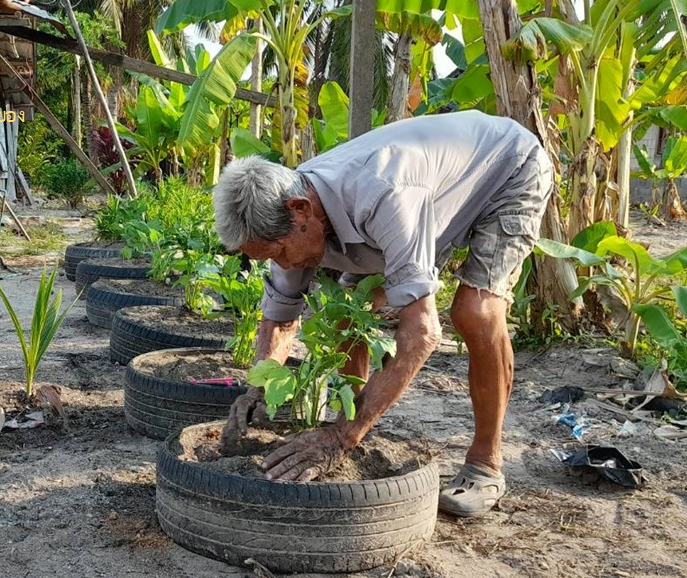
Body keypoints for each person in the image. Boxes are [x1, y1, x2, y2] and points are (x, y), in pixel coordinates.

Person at [214, 110, 554, 517]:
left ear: (302, 211)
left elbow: (423, 334)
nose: (284, 266)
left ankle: (486, 464)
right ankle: (347, 413)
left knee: (475, 311)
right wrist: (256, 389)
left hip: (505, 169)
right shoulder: (284, 212)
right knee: (348, 311)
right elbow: (281, 316)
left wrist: (342, 439)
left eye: (281, 253)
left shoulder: (383, 194)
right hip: (429, 193)